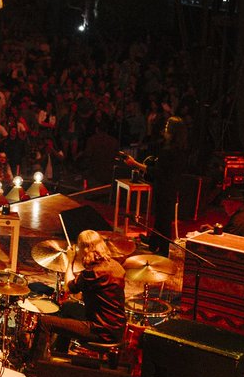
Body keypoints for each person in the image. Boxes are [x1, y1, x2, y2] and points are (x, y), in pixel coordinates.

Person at [30, 230, 126, 361]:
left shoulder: (93, 273)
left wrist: (70, 261)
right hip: (116, 327)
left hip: (100, 330)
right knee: (68, 307)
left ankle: (34, 366)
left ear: (85, 249)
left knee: (44, 322)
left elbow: (68, 287)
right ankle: (60, 355)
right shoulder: (116, 265)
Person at [121, 116, 189, 256]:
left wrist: (134, 163)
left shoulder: (168, 150)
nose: (165, 127)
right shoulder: (181, 149)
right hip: (172, 186)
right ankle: (153, 243)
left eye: (167, 125)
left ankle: (163, 251)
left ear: (172, 130)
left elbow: (156, 171)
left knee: (163, 219)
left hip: (164, 187)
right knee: (162, 217)